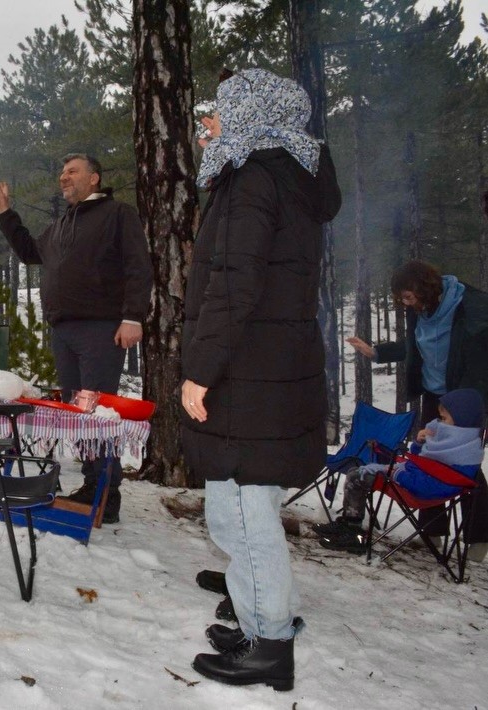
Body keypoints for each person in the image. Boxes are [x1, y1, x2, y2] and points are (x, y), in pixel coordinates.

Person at [181, 68, 342, 690]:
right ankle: (256, 620)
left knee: (246, 518)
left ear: (249, 115)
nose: (206, 126)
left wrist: (201, 371)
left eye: (215, 113)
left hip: (250, 374)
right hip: (265, 371)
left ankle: (271, 643)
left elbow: (235, 284)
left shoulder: (254, 179)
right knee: (238, 512)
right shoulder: (274, 175)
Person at [0, 154, 152, 524]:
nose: (64, 177)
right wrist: (6, 215)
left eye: (72, 171)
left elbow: (138, 265)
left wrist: (133, 316)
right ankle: (93, 487)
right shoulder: (62, 224)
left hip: (100, 328)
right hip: (64, 330)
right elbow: (31, 252)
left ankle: (105, 496)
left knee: (96, 413)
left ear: (94, 178)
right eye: (62, 172)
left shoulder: (117, 215)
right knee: (80, 415)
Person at [346, 260, 488, 559]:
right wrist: (376, 352)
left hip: (464, 401)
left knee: (463, 467)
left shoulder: (466, 307)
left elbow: (479, 358)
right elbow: (413, 347)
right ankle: (433, 532)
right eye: (401, 299)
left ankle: (479, 537)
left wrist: (469, 402)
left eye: (408, 296)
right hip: (434, 395)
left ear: (426, 289)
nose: (405, 303)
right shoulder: (420, 312)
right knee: (425, 458)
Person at [314, 388, 485, 552]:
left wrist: (398, 473)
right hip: (410, 477)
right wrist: (419, 444)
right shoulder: (456, 443)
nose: (439, 423)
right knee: (357, 472)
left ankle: (353, 534)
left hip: (413, 488)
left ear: (462, 420)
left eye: (444, 419)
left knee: (356, 477)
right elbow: (423, 462)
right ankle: (348, 525)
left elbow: (431, 485)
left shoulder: (463, 455)